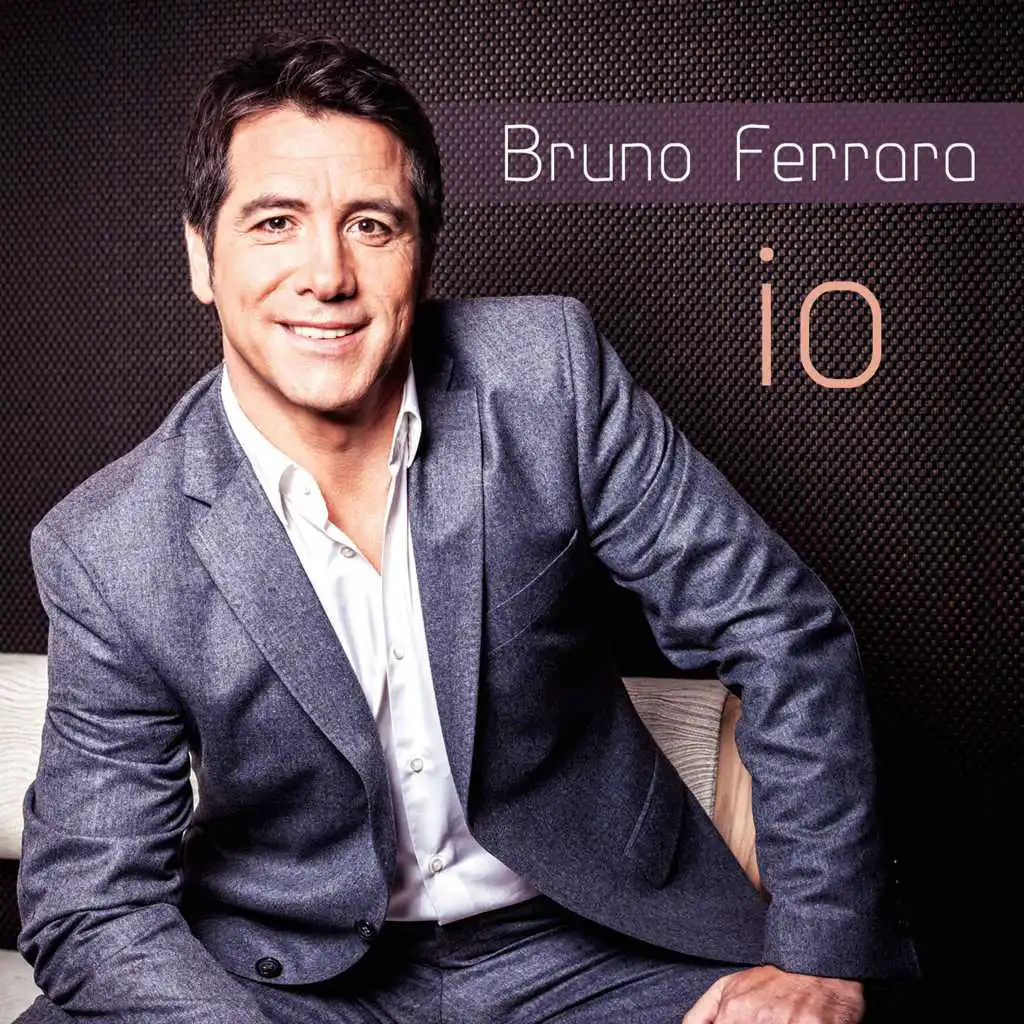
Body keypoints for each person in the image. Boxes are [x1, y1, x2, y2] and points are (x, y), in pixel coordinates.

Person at [16, 31, 916, 1024]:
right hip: (290, 979)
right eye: (275, 222)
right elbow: (93, 905)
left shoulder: (548, 377)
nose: (326, 274)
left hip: (588, 946)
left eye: (371, 224)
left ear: (423, 251)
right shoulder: (109, 548)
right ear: (201, 254)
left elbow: (777, 626)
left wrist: (819, 949)